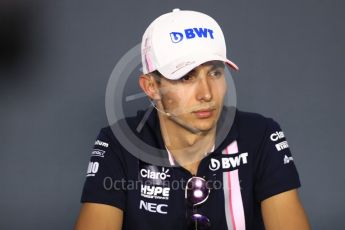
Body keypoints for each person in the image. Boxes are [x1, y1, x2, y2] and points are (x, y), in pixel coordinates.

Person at [75, 9, 310, 230]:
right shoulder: (118, 143)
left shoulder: (260, 136)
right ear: (151, 87)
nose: (207, 94)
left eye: (215, 73)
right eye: (187, 77)